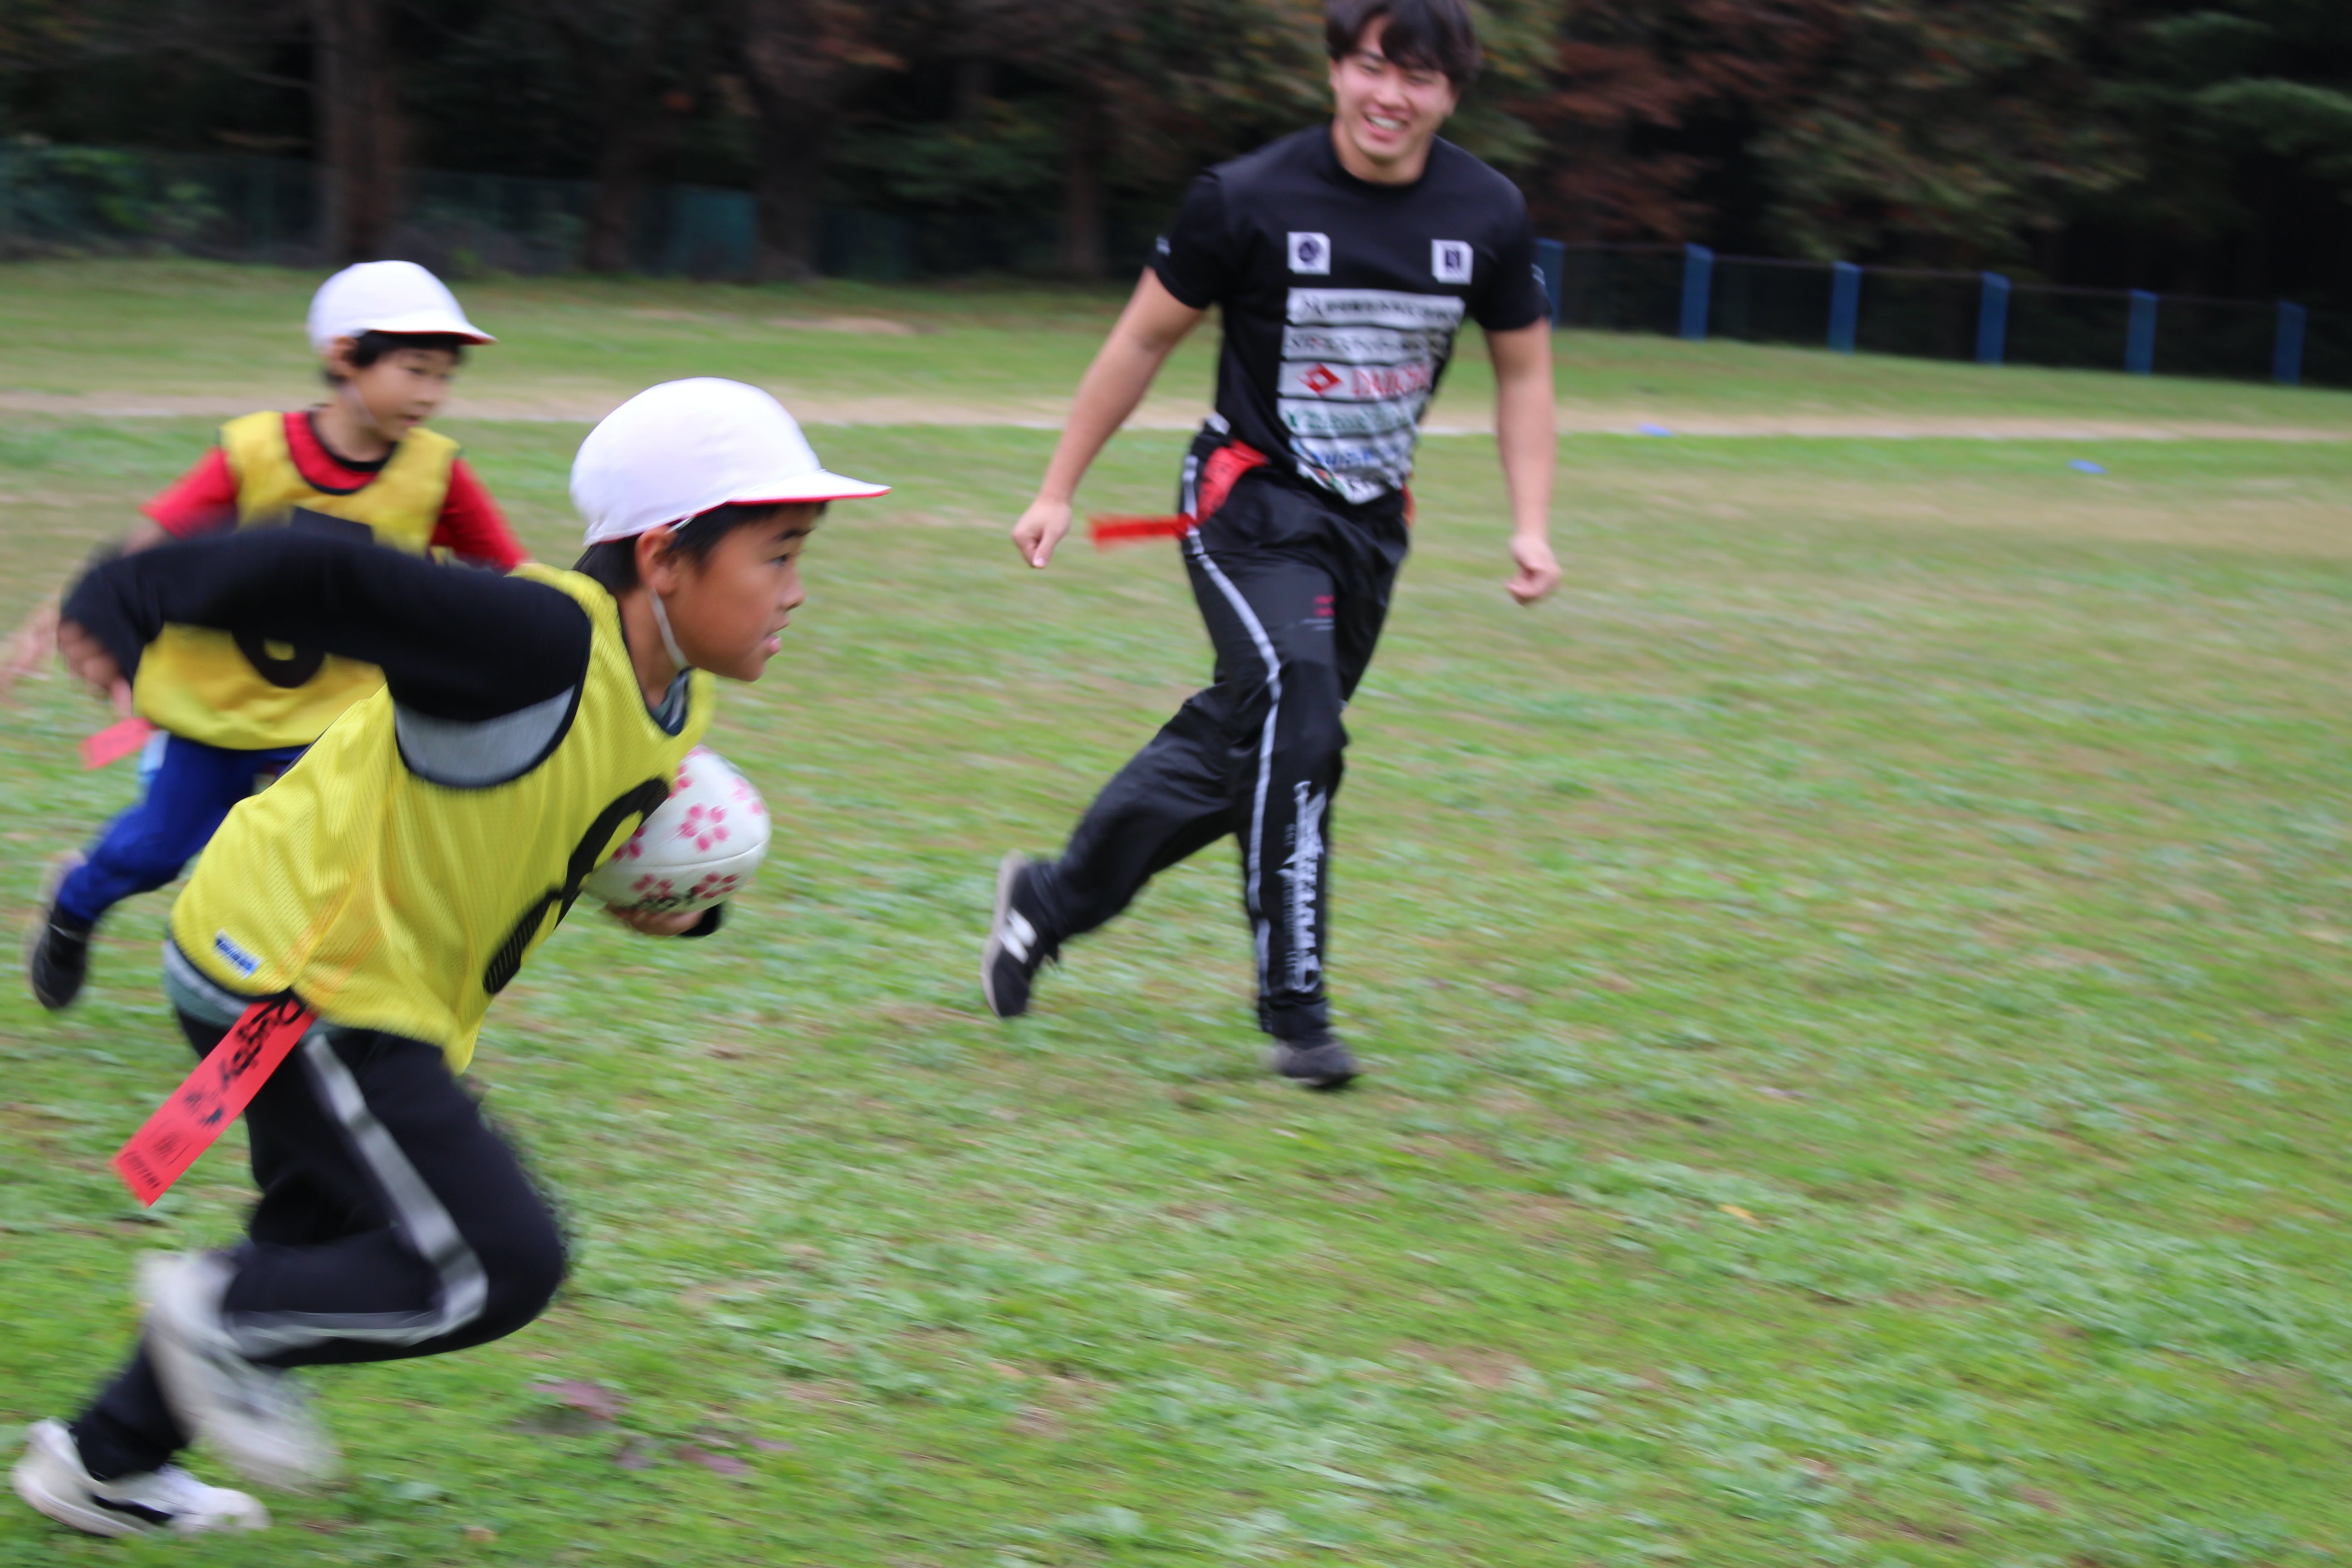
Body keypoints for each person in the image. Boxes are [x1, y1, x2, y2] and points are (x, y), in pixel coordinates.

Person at [10, 379, 886, 1539]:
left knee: (327, 1236)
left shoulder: (673, 695)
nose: (796, 588)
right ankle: (221, 1322)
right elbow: (326, 574)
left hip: (354, 982)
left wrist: (679, 907)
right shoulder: (535, 639)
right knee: (495, 1260)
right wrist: (124, 591)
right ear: (666, 555)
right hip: (297, 978)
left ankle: (104, 1463)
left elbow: (563, 818)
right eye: (778, 555)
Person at [980, 0, 1561, 1088]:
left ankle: (1048, 901)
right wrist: (1059, 489)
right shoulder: (1244, 196)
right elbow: (1140, 340)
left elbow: (1524, 371)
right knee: (1300, 710)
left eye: (1420, 77)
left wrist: (1531, 523)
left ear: (1452, 92)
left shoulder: (1488, 212)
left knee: (1252, 743)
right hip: (1246, 505)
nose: (1392, 95)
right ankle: (1299, 1014)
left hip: (1369, 526)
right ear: (1337, 68)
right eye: (1374, 66)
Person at [26, 260, 524, 1013]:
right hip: (216, 709)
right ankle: (74, 905)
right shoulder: (254, 451)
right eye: (415, 370)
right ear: (344, 357)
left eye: (444, 377)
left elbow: (515, 579)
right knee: (156, 851)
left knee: (349, 863)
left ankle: (303, 998)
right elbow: (148, 548)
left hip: (338, 723)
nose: (431, 394)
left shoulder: (437, 474)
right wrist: (64, 612)